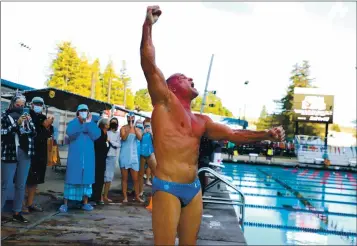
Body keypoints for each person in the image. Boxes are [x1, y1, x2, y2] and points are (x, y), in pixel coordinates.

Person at [140, 6, 285, 245]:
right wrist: (147, 27)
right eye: (185, 78)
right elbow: (148, 63)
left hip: (193, 188)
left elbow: (234, 134)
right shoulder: (164, 102)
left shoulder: (201, 120)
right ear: (172, 86)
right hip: (167, 186)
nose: (191, 79)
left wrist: (267, 134)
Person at [1, 92, 36, 223]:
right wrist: (16, 124)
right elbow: (3, 133)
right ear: (12, 104)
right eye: (17, 104)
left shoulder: (27, 116)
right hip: (9, 152)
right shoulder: (5, 115)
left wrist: (25, 124)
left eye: (22, 105)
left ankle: (17, 212)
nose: (20, 107)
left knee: (21, 184)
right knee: (4, 184)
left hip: (25, 152)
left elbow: (33, 132)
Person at [59, 104, 101, 213]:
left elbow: (96, 135)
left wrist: (88, 124)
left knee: (86, 182)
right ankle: (65, 204)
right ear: (77, 113)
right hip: (75, 157)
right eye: (81, 110)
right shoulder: (73, 123)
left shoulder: (91, 124)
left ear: (88, 112)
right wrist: (82, 125)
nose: (83, 112)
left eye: (85, 110)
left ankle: (85, 203)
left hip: (87, 158)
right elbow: (70, 133)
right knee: (71, 181)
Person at [23, 97, 54, 213]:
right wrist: (44, 127)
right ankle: (22, 204)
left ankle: (30, 203)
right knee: (25, 179)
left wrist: (48, 126)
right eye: (36, 103)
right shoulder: (27, 116)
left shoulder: (43, 117)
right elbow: (32, 133)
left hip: (41, 153)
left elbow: (49, 134)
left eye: (40, 104)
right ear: (31, 105)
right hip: (29, 151)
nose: (38, 106)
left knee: (35, 180)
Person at [119, 112, 144, 203]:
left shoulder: (137, 129)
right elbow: (124, 138)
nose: (131, 120)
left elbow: (140, 138)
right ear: (127, 119)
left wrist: (133, 128)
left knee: (135, 179)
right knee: (124, 178)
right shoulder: (123, 128)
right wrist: (129, 128)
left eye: (132, 118)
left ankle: (137, 196)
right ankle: (125, 197)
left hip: (133, 155)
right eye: (129, 118)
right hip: (125, 155)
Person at [91, 118, 110, 205]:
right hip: (97, 158)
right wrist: (106, 144)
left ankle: (98, 197)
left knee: (100, 178)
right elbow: (99, 145)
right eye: (108, 124)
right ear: (105, 125)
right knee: (96, 178)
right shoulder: (99, 133)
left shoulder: (105, 134)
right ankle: (94, 197)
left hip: (102, 158)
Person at [103, 117, 121, 203]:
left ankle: (105, 196)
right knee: (103, 176)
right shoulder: (107, 132)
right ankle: (100, 196)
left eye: (115, 123)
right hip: (105, 155)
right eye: (112, 122)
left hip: (112, 156)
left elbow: (118, 144)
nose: (114, 124)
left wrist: (111, 142)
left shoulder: (117, 134)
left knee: (109, 177)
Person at [139, 118, 157, 196]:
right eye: (146, 125)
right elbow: (138, 139)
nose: (147, 126)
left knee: (154, 172)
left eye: (149, 125)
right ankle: (140, 191)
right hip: (141, 152)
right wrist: (143, 132)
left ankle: (155, 191)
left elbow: (155, 142)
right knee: (141, 173)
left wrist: (151, 133)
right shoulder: (140, 131)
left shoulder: (152, 132)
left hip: (150, 152)